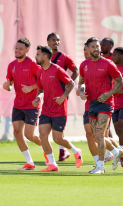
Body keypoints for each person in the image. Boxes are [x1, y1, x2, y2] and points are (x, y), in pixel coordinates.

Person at [79, 37, 123, 174]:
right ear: (88, 48)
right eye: (92, 47)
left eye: (97, 46)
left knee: (99, 134)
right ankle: (117, 152)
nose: (96, 49)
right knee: (95, 137)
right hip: (91, 103)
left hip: (106, 103)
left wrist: (108, 94)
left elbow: (120, 82)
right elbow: (81, 82)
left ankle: (100, 167)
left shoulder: (108, 64)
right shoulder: (84, 65)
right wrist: (81, 91)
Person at [33, 45, 83, 171]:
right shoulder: (39, 72)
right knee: (42, 135)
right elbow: (40, 90)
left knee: (57, 139)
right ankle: (53, 164)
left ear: (45, 57)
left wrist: (63, 97)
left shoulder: (57, 70)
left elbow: (71, 83)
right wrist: (38, 98)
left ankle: (76, 151)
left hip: (59, 110)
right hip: (46, 110)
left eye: (38, 54)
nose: (36, 56)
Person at [3, 38, 44, 170]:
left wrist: (31, 88)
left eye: (20, 48)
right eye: (16, 48)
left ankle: (45, 147)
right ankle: (30, 163)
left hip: (32, 104)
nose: (17, 50)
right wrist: (7, 85)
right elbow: (9, 83)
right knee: (17, 132)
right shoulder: (11, 65)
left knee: (29, 135)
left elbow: (42, 79)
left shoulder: (32, 63)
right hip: (18, 104)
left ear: (27, 50)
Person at [47, 32, 79, 161]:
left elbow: (76, 70)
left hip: (61, 94)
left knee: (58, 121)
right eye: (53, 40)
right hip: (49, 94)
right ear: (47, 42)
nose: (56, 42)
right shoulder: (44, 57)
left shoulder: (64, 57)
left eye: (58, 40)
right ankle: (60, 149)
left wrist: (67, 84)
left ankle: (62, 150)